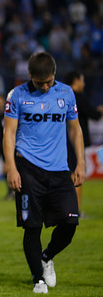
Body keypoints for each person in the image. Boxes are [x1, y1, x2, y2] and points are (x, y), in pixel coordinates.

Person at [3, 52, 85, 294]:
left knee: (70, 222)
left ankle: (47, 256)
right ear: (30, 77)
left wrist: (80, 163)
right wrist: (11, 168)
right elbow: (9, 133)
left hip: (60, 169)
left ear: (54, 75)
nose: (46, 86)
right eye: (40, 83)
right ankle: (37, 279)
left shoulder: (66, 93)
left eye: (49, 81)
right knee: (32, 226)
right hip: (27, 167)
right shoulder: (16, 95)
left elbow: (75, 130)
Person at [65, 71, 103, 213]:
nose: (84, 83)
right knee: (77, 175)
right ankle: (75, 210)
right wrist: (99, 111)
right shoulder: (77, 96)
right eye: (82, 80)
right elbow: (92, 114)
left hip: (63, 142)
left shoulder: (63, 95)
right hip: (74, 143)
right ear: (76, 81)